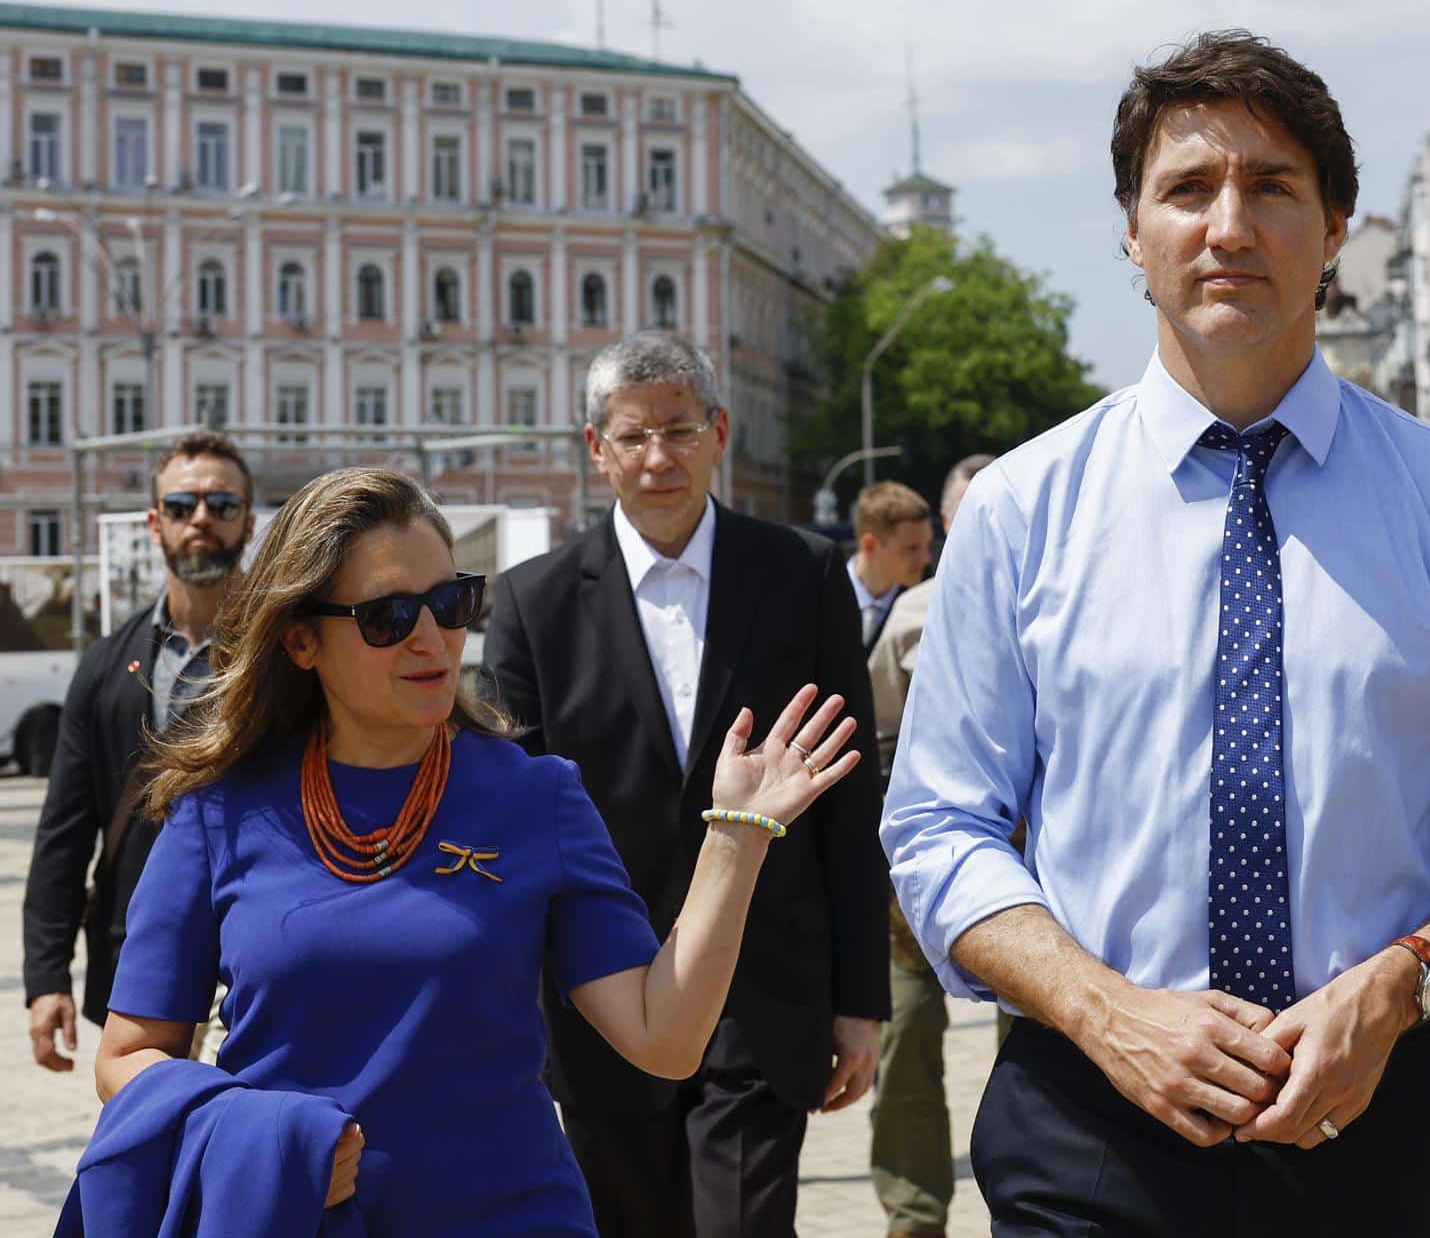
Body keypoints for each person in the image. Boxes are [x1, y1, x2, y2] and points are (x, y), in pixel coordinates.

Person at [881, 30, 1430, 1237]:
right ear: (1131, 229)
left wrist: (1402, 980)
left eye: (1272, 187)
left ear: (1334, 229)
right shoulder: (1020, 508)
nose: (1230, 226)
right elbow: (939, 822)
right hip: (1093, 1109)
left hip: (1384, 1098)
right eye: (1187, 189)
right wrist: (1110, 1011)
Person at [89, 466, 860, 1232]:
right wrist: (272, 1146)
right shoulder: (218, 811)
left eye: (450, 603)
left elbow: (664, 1038)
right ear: (300, 639)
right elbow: (126, 1057)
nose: (432, 639)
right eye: (387, 615)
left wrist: (734, 837)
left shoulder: (536, 795)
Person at [483, 330, 889, 1238]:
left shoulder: (803, 575)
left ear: (720, 431)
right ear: (597, 449)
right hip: (602, 1001)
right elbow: (512, 820)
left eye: (680, 429)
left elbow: (848, 800)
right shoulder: (530, 605)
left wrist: (860, 999)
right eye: (633, 436)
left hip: (764, 996)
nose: (658, 458)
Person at [24, 431, 255, 1073]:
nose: (201, 519)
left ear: (249, 520)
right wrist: (46, 978)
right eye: (181, 506)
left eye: (221, 504)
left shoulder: (290, 654)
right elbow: (65, 831)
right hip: (141, 958)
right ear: (156, 524)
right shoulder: (105, 667)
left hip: (260, 955)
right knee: (148, 1156)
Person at [866, 452, 993, 1238]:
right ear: (950, 522)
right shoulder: (912, 615)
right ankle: (915, 1220)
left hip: (1044, 880)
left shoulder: (1066, 602)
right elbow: (876, 733)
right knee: (905, 1042)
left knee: (1048, 1058)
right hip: (919, 884)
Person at [849, 481, 934, 652]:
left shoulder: (929, 604)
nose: (926, 559)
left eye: (927, 546)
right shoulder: (821, 595)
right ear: (870, 545)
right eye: (912, 548)